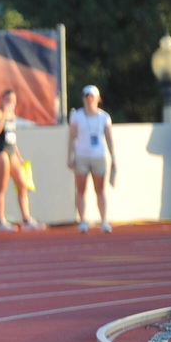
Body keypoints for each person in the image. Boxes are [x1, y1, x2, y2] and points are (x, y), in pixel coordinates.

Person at [0, 89, 43, 232]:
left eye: (12, 100)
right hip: (1, 152)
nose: (10, 103)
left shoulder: (12, 115)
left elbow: (12, 138)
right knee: (2, 187)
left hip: (11, 152)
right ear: (2, 100)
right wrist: (4, 113)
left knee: (22, 183)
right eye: (7, 100)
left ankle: (26, 219)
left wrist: (19, 156)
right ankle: (0, 221)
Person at [68, 85, 116, 233]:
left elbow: (109, 138)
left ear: (97, 98)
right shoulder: (77, 116)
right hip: (81, 156)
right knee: (80, 189)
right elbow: (71, 137)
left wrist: (113, 157)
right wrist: (70, 156)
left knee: (100, 190)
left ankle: (103, 220)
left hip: (98, 156)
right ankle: (82, 221)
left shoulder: (104, 117)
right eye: (86, 97)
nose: (89, 99)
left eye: (92, 97)